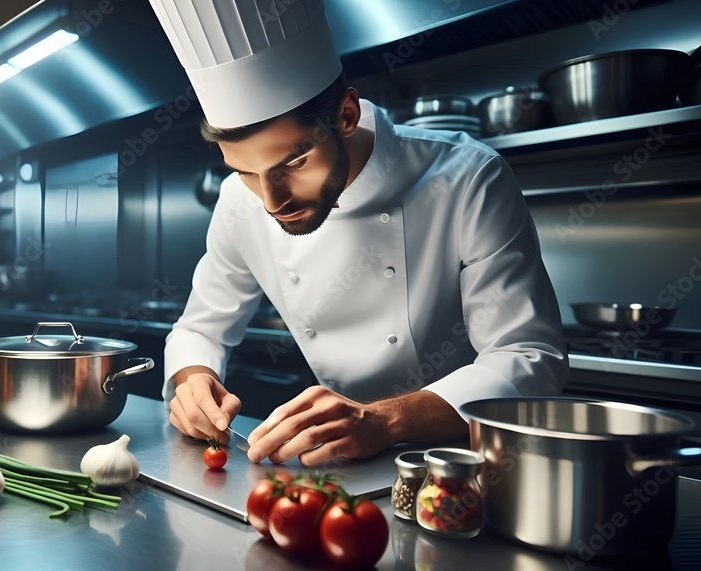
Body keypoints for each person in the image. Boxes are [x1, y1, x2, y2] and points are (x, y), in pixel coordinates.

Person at [148, 0, 568, 467]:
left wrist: (384, 420)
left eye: (294, 163)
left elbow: (529, 357)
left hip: (467, 459)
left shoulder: (468, 177)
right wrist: (192, 382)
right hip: (344, 464)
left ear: (345, 115)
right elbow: (201, 325)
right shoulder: (237, 200)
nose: (271, 200)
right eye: (246, 171)